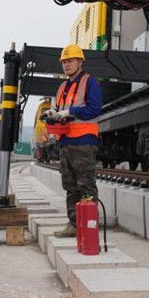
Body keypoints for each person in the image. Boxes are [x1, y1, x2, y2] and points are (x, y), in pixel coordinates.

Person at [42, 44, 102, 238]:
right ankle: (74, 224)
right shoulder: (63, 87)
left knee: (86, 185)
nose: (66, 65)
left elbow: (94, 109)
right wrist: (53, 113)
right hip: (65, 140)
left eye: (70, 61)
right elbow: (60, 108)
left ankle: (89, 226)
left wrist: (70, 112)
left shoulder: (90, 82)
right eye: (64, 62)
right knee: (70, 186)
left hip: (83, 141)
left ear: (80, 61)